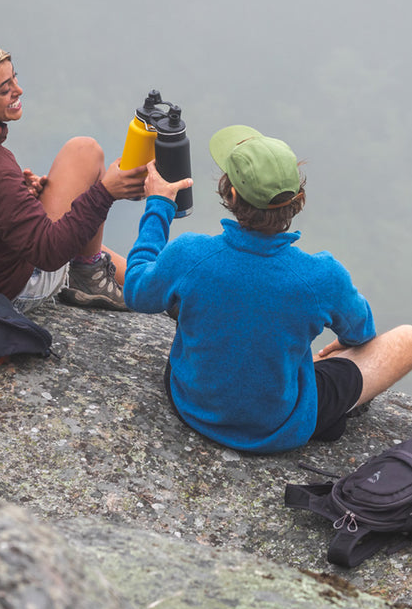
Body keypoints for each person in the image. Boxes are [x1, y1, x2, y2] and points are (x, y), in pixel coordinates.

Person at [123, 124, 412, 453]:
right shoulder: (322, 276)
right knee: (407, 339)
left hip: (192, 406)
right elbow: (362, 333)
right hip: (280, 424)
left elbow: (135, 291)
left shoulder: (191, 255)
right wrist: (343, 345)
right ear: (297, 200)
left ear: (231, 195)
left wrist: (159, 204)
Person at [0, 39, 147, 314]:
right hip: (3, 293)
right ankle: (118, 281)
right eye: (5, 89)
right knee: (87, 155)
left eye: (14, 78)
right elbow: (49, 253)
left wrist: (14, 196)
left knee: (82, 222)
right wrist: (106, 192)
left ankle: (147, 285)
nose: (18, 90)